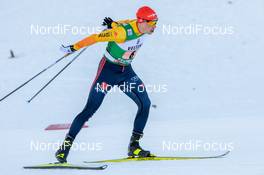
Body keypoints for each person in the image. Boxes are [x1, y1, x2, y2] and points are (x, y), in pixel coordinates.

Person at [55, 6, 158, 163]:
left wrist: (113, 23)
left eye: (156, 22)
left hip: (126, 73)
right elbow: (96, 38)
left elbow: (123, 22)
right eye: (152, 23)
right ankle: (64, 149)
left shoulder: (140, 27)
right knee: (89, 110)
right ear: (142, 21)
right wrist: (73, 48)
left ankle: (134, 146)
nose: (154, 27)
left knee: (145, 103)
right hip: (107, 72)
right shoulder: (121, 34)